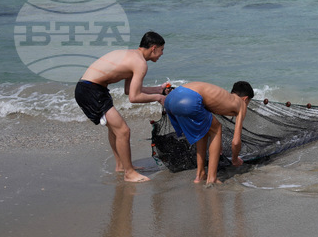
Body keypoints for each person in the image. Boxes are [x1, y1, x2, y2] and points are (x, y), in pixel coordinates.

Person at [75, 31, 167, 183]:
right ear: (153, 48)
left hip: (92, 88)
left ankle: (121, 166)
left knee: (115, 130)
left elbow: (129, 90)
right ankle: (129, 173)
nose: (162, 54)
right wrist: (159, 98)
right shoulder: (140, 63)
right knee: (123, 131)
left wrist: (158, 90)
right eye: (161, 50)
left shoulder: (133, 56)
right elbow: (134, 97)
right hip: (91, 91)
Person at [163, 81, 254, 185]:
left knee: (205, 129)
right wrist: (235, 159)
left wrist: (217, 145)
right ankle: (212, 178)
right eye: (248, 102)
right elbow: (236, 142)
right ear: (245, 98)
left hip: (171, 98)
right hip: (189, 98)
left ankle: (200, 174)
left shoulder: (221, 96)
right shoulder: (241, 103)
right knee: (217, 128)